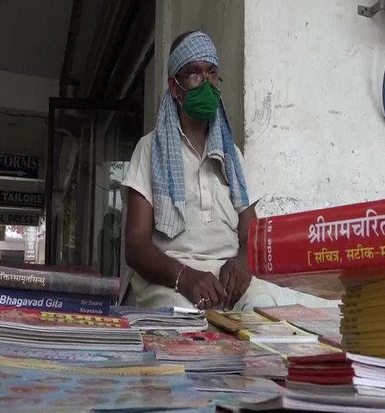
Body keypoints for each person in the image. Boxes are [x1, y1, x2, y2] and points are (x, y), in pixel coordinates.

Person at [121, 31, 336, 311]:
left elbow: (251, 232)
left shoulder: (232, 155)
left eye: (211, 73)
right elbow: (136, 247)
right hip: (171, 281)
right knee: (184, 332)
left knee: (266, 313)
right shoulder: (149, 149)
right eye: (194, 74)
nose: (206, 83)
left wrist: (243, 262)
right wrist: (185, 278)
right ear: (175, 87)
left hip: (227, 281)